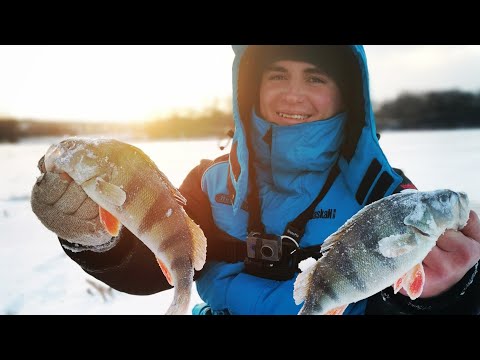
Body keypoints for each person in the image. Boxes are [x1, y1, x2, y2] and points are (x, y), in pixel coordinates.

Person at [31, 45, 480, 315]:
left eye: (316, 77)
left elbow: (410, 299)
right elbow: (155, 269)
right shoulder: (207, 183)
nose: (293, 92)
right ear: (250, 89)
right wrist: (93, 239)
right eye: (277, 74)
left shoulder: (383, 193)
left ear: (347, 94)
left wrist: (450, 293)